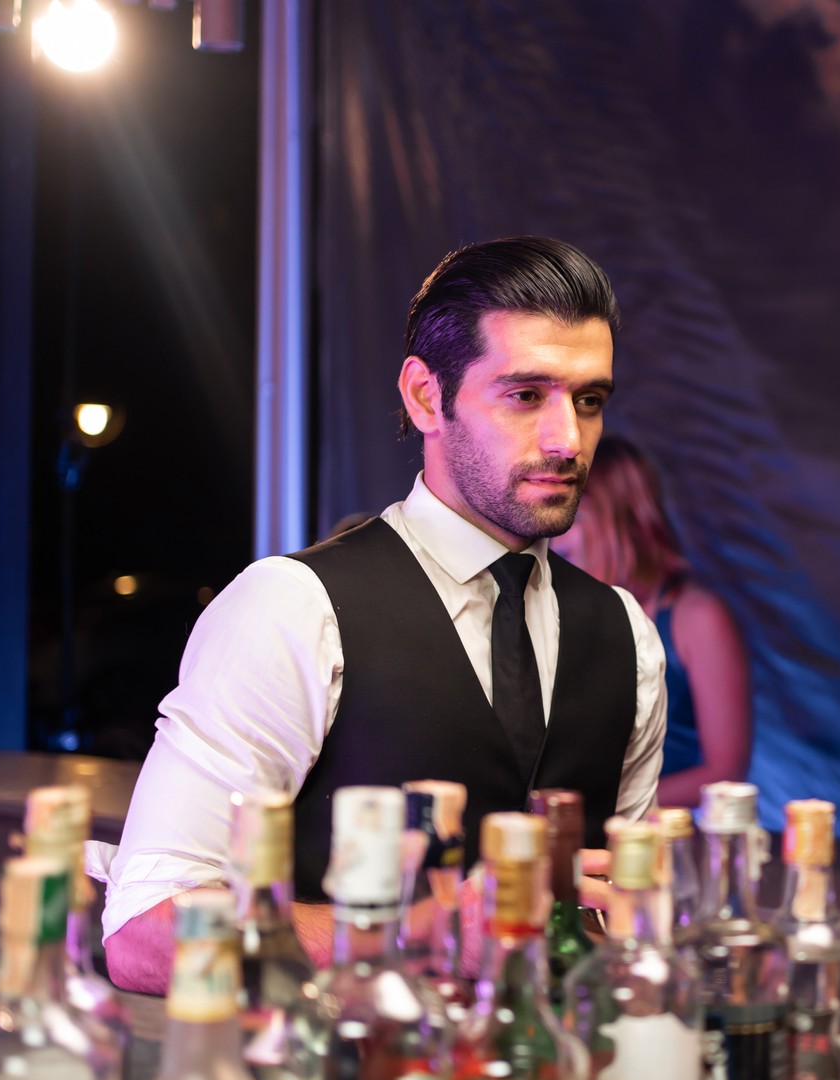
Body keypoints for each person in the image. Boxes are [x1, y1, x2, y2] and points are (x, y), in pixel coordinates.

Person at [101, 237, 668, 994]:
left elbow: (620, 917)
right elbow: (144, 931)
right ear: (425, 396)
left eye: (588, 400)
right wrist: (412, 936)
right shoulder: (294, 608)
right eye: (525, 395)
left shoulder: (625, 635)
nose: (569, 440)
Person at [552, 436, 750, 808]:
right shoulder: (563, 610)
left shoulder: (696, 618)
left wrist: (608, 810)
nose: (553, 536)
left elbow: (725, 771)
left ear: (614, 517)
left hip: (667, 842)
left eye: (570, 517)